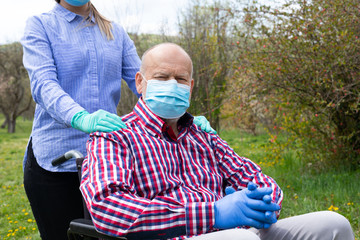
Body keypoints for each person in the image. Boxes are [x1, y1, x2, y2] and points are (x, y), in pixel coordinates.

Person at [80, 42, 355, 240]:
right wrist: (211, 213)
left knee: (333, 224)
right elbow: (108, 207)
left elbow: (254, 177)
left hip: (236, 232)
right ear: (140, 82)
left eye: (180, 79)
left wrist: (265, 203)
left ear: (191, 86)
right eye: (162, 77)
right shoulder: (114, 134)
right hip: (173, 235)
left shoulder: (203, 135)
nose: (172, 84)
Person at [20, 1, 212, 239]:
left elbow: (145, 82)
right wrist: (79, 117)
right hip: (56, 161)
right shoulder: (40, 26)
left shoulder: (115, 32)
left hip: (109, 162)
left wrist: (182, 114)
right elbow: (43, 83)